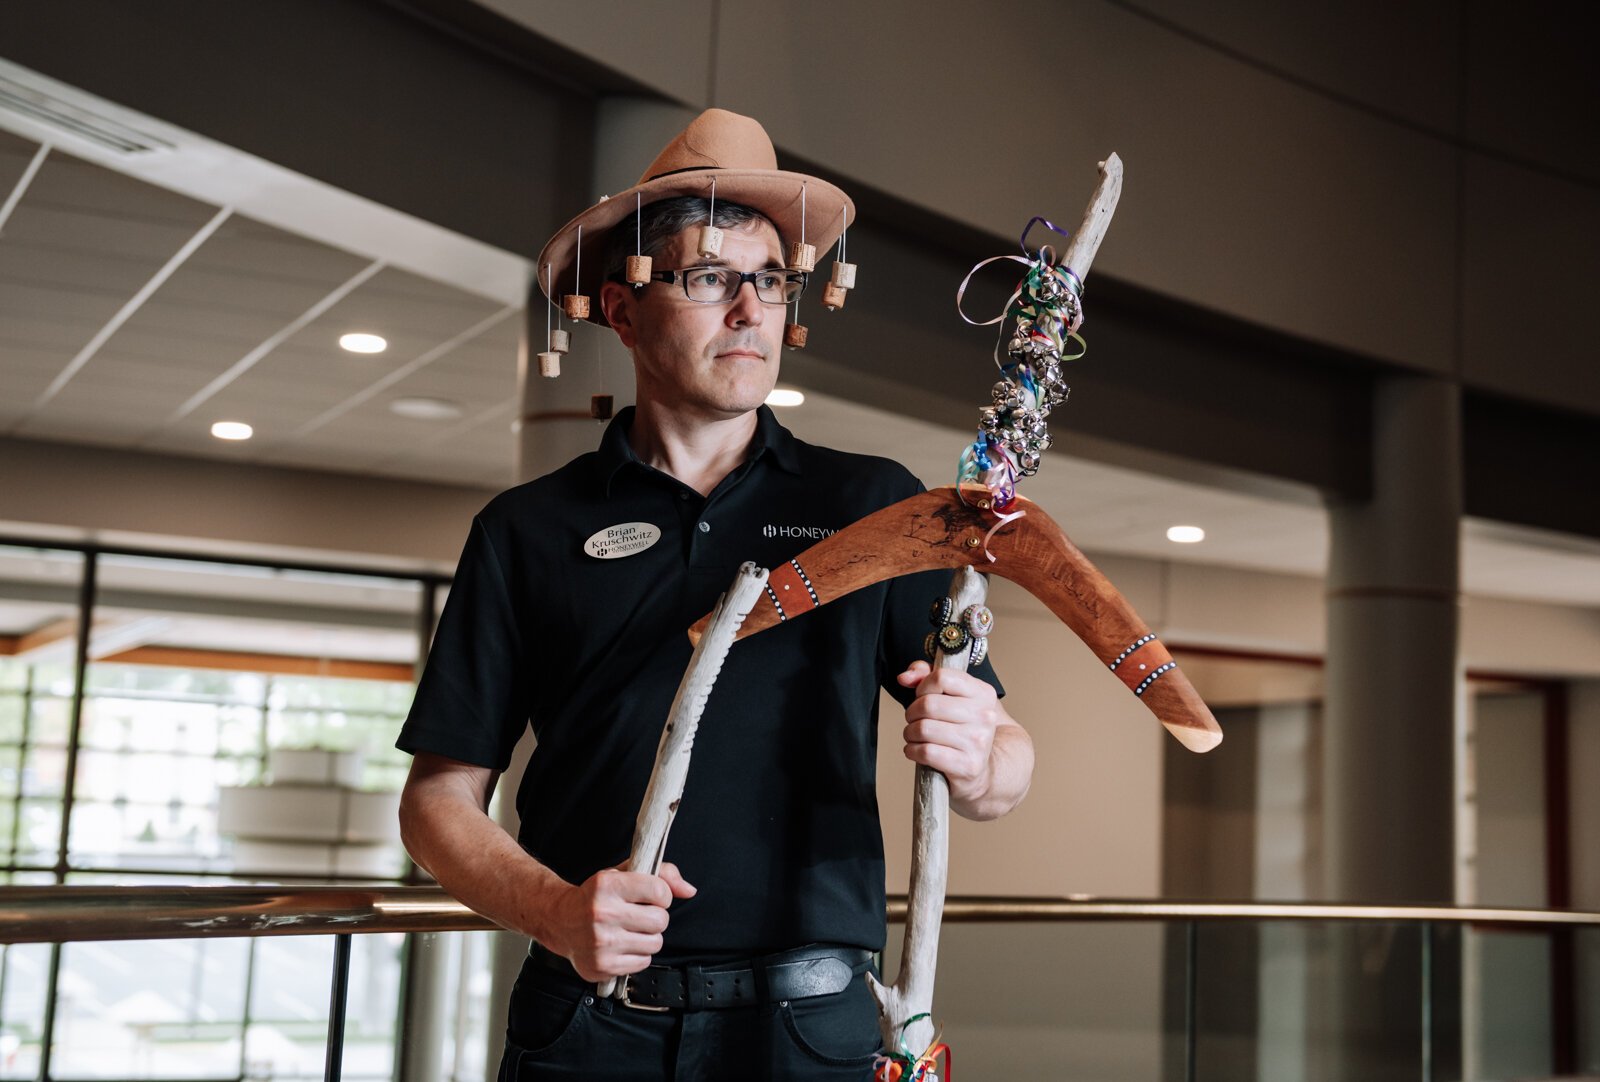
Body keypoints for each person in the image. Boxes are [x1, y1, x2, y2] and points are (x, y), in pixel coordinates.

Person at [397, 109, 1033, 1080]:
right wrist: (556, 911)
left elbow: (1003, 757)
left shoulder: (872, 504)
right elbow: (437, 800)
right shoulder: (527, 526)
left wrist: (982, 756)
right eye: (707, 278)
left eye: (770, 280)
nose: (750, 310)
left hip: (812, 1030)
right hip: (588, 1025)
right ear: (620, 309)